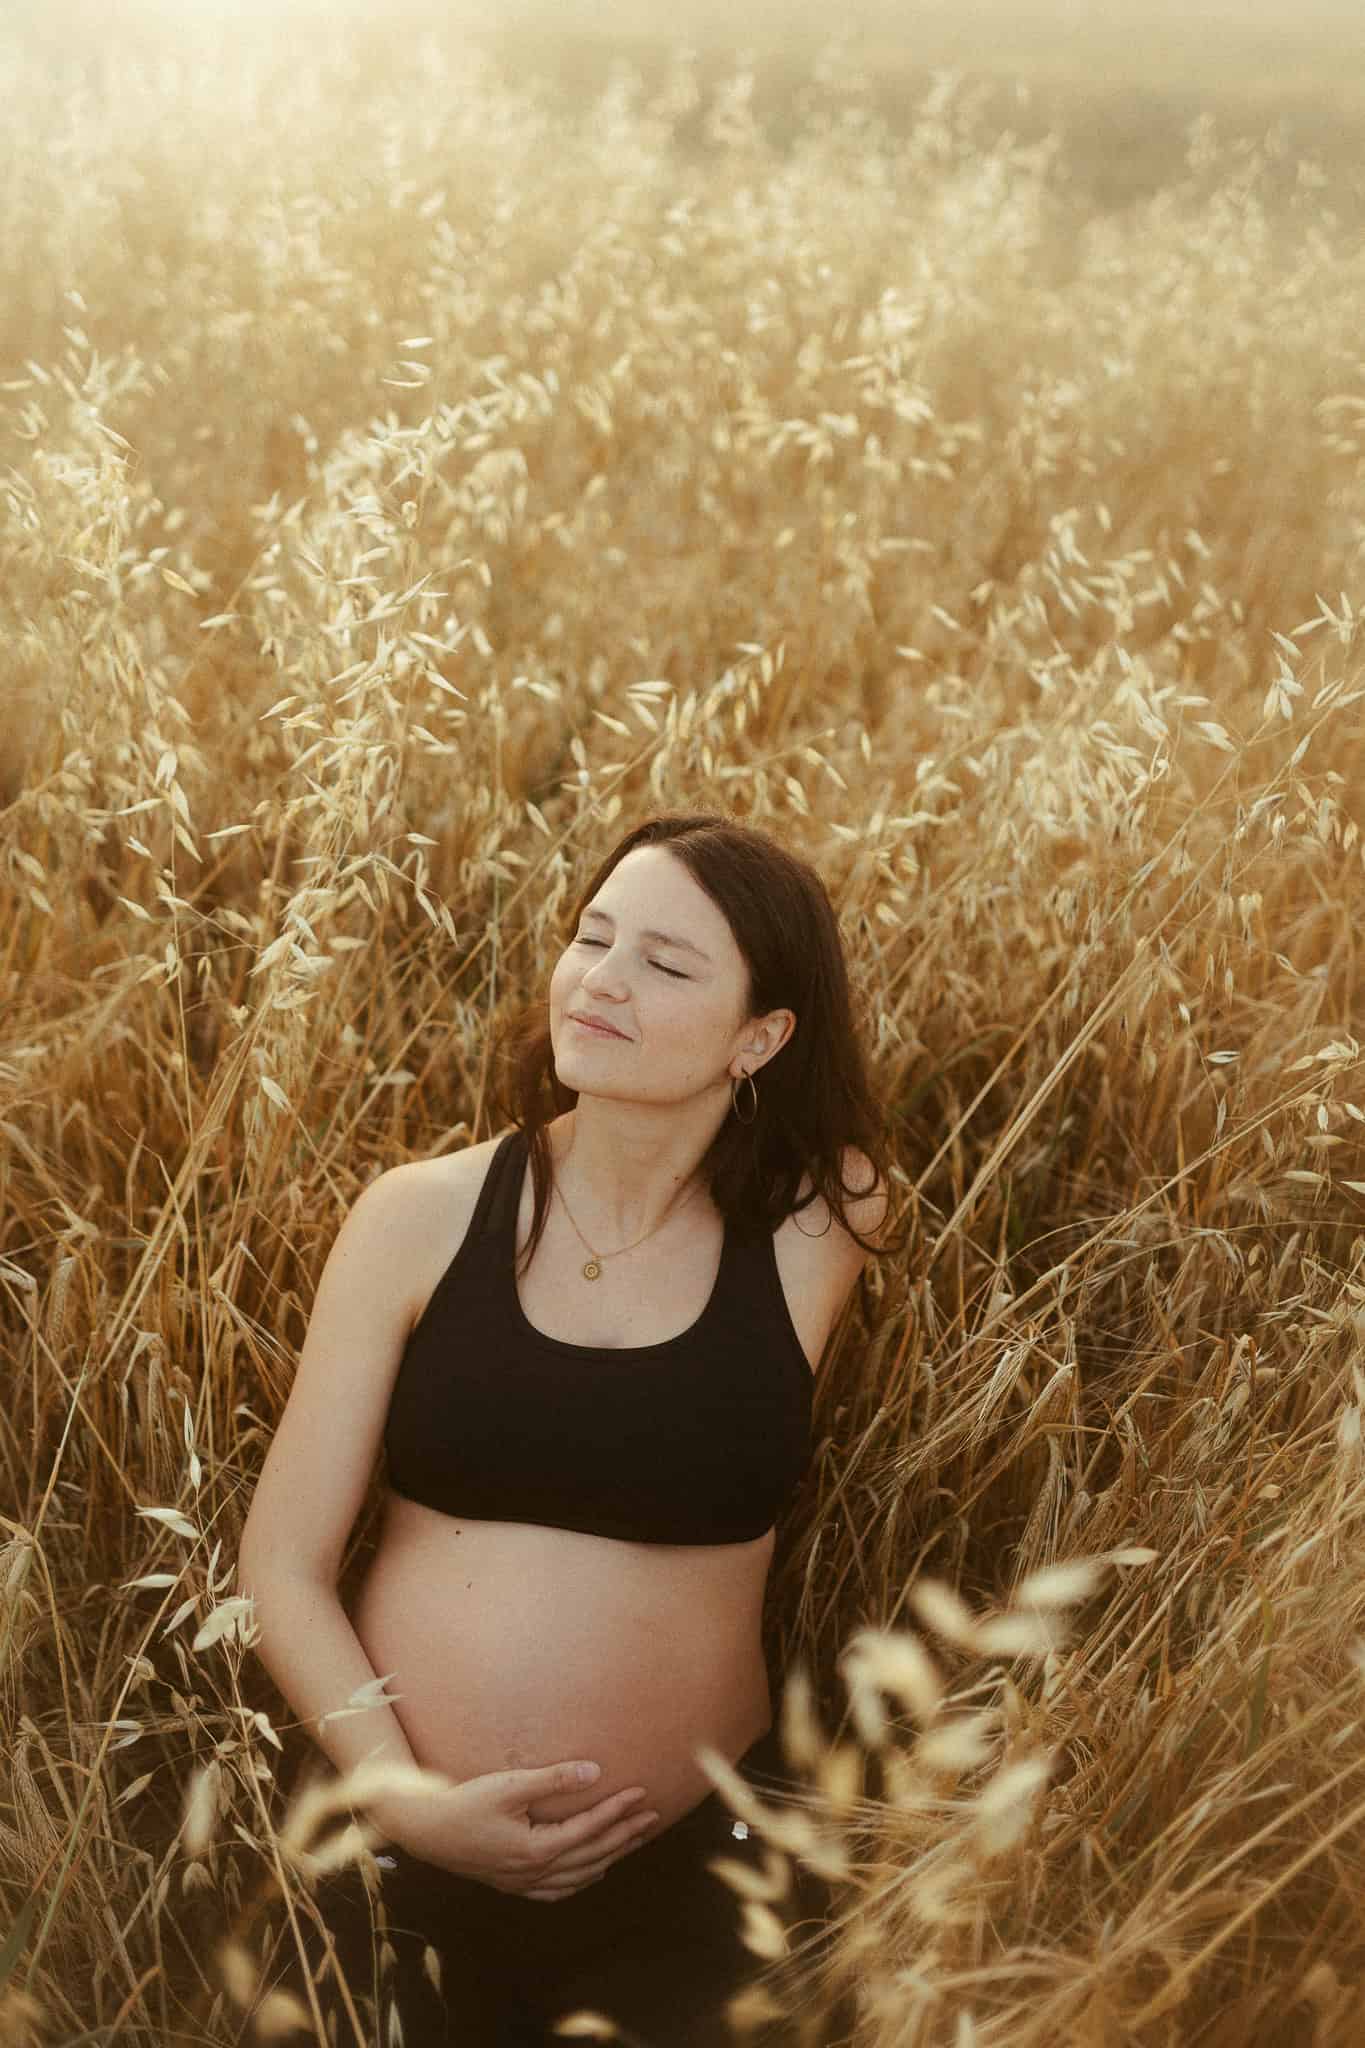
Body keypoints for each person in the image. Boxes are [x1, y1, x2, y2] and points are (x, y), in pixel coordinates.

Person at [237, 810, 892, 2045]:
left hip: (698, 1866)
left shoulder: (820, 1221)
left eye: (668, 961)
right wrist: (405, 1801)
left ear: (763, 1034)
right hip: (392, 1842)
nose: (601, 978)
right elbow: (281, 1562)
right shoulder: (419, 1217)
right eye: (593, 935)